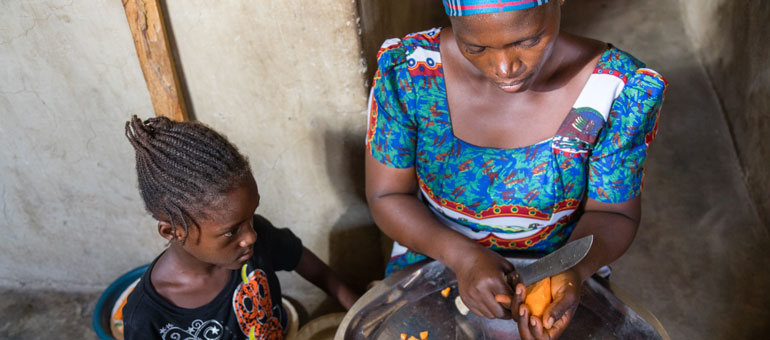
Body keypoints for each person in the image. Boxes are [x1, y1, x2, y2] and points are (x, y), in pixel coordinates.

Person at [364, 0, 667, 339]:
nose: (504, 68)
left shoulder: (616, 90)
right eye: (475, 47)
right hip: (434, 256)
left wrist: (571, 270)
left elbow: (614, 214)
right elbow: (387, 194)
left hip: (561, 273)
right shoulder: (409, 72)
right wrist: (462, 257)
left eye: (527, 41)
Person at [121, 115, 359, 340]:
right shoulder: (146, 317)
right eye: (231, 231)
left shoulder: (258, 237)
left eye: (252, 216)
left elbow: (317, 271)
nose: (251, 236)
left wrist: (361, 310)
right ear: (172, 231)